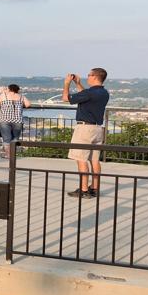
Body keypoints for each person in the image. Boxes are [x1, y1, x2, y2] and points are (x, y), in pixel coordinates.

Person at [64, 68, 110, 198]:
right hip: (97, 129)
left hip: (84, 129)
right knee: (95, 160)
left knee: (81, 159)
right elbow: (85, 95)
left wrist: (67, 83)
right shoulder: (104, 93)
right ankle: (95, 188)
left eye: (89, 75)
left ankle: (83, 190)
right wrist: (77, 83)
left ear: (95, 76)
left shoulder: (90, 93)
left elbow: (65, 98)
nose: (87, 77)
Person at [0, 83, 31, 158]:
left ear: (9, 89)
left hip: (4, 119)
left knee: (6, 138)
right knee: (15, 138)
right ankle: (13, 154)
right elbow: (28, 104)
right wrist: (21, 105)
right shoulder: (21, 97)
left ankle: (8, 155)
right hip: (17, 120)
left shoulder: (4, 95)